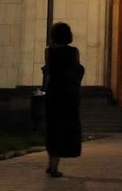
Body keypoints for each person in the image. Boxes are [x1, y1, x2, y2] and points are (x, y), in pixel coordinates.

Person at [42, 21, 84, 177]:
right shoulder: (74, 52)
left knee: (53, 128)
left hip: (53, 94)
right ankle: (54, 167)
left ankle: (51, 164)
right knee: (64, 128)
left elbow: (48, 73)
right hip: (68, 95)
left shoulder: (48, 51)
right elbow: (77, 71)